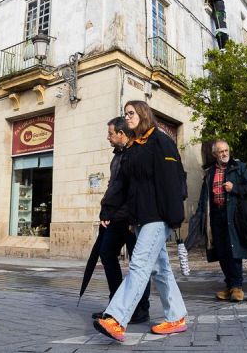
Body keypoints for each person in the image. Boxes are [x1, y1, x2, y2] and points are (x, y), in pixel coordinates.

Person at [94, 100, 187, 342]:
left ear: (143, 113)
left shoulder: (161, 141)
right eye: (125, 114)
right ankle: (176, 317)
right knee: (160, 269)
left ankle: (116, 318)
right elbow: (122, 185)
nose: (128, 117)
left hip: (158, 216)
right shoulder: (134, 146)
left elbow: (173, 180)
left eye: (131, 113)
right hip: (138, 217)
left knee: (139, 264)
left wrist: (175, 217)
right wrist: (108, 210)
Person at [95, 117, 151, 323]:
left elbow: (136, 189)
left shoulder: (135, 153)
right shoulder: (116, 157)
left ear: (121, 133)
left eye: (110, 133)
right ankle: (116, 304)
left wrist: (130, 214)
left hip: (133, 217)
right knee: (106, 253)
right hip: (116, 217)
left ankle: (140, 309)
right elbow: (114, 187)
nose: (108, 137)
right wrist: (106, 212)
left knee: (138, 264)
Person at [195, 140, 247, 302]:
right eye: (220, 151)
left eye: (226, 150)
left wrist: (234, 188)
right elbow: (204, 196)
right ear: (215, 154)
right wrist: (200, 215)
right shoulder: (209, 172)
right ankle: (229, 286)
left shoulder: (239, 167)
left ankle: (237, 287)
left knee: (234, 249)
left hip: (233, 215)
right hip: (216, 215)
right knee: (220, 251)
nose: (224, 153)